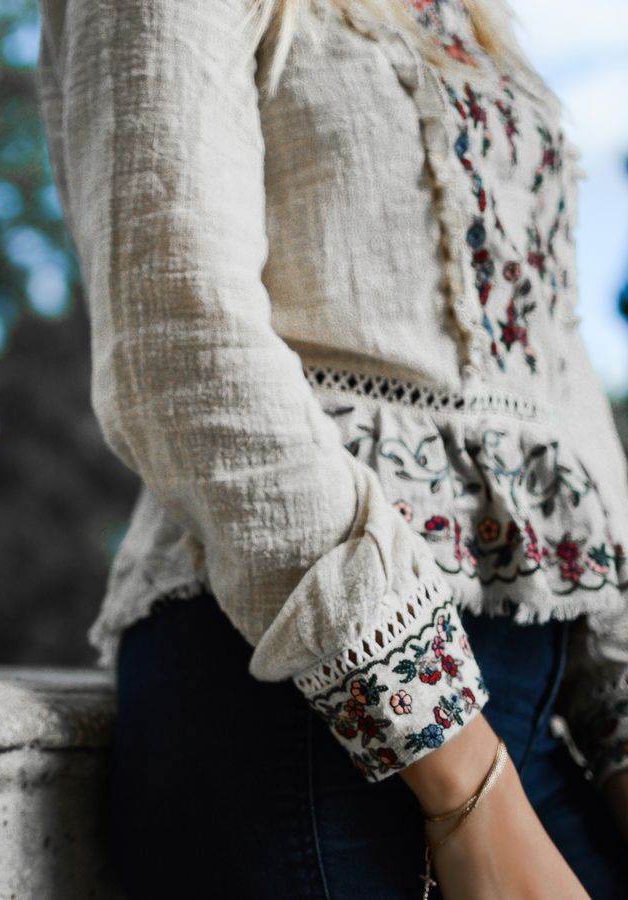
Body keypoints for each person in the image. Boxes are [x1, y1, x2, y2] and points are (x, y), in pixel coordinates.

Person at [33, 0, 628, 895]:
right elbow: (179, 340)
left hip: (525, 717)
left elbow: (552, 374)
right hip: (307, 709)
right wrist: (466, 784)